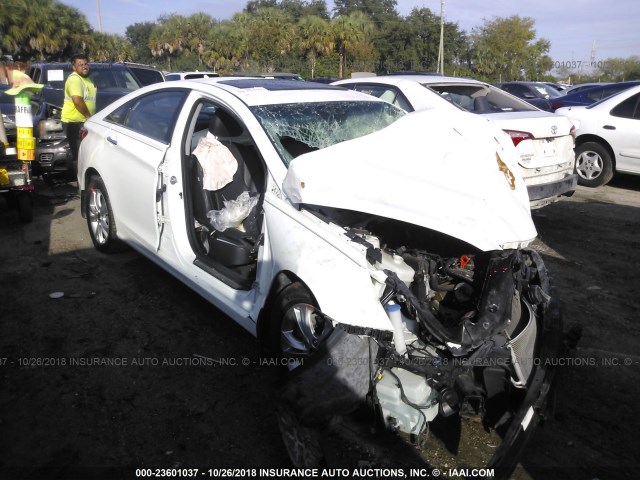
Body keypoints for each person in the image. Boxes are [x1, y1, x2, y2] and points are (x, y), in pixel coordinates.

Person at [61, 53, 96, 177]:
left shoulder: (87, 79)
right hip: (74, 122)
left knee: (85, 153)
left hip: (84, 122)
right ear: (74, 67)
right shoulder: (75, 79)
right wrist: (88, 116)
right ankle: (80, 184)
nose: (84, 66)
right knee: (79, 155)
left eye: (85, 63)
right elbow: (77, 101)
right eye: (80, 64)